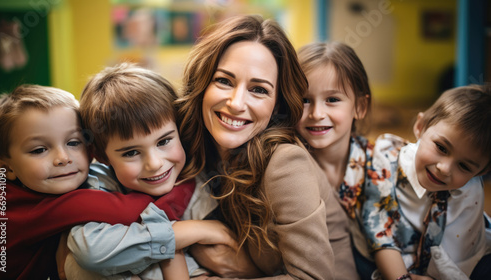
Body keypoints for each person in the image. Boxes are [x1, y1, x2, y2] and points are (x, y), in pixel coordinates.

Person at [175, 15, 345, 279]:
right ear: (202, 84)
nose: (236, 103)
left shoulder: (285, 164)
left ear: (277, 104)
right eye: (224, 81)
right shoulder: (188, 145)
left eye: (259, 90)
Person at [62, 63, 237, 280]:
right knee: (77, 268)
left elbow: (233, 259)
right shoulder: (99, 184)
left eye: (164, 141)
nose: (154, 164)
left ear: (180, 130)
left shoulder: (197, 181)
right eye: (131, 153)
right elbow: (91, 252)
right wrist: (194, 231)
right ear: (103, 156)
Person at [0, 85, 176, 279]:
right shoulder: (36, 208)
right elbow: (134, 207)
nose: (63, 158)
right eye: (39, 150)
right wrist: (185, 185)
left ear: (90, 150)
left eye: (73, 142)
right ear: (6, 168)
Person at [361, 84, 491, 280]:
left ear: (481, 171)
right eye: (441, 147)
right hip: (391, 254)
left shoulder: (471, 189)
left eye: (464, 167)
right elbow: (379, 232)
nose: (444, 169)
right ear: (420, 127)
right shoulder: (385, 162)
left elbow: (464, 254)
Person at [296, 41, 371, 280]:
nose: (317, 113)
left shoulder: (384, 165)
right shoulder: (288, 169)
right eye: (305, 100)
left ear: (359, 106)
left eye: (332, 100)